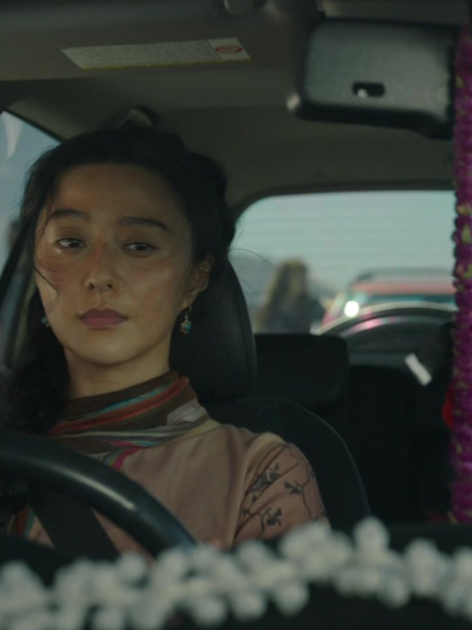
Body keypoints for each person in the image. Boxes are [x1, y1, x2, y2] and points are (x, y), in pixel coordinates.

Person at [1, 127, 327, 554]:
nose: (99, 274)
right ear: (37, 264)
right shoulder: (11, 441)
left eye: (139, 246)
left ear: (195, 278)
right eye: (71, 242)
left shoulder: (261, 474)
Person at [256, 259, 326, 333]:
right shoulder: (270, 309)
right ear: (284, 279)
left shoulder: (312, 306)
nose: (301, 281)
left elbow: (324, 326)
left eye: (303, 277)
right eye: (296, 277)